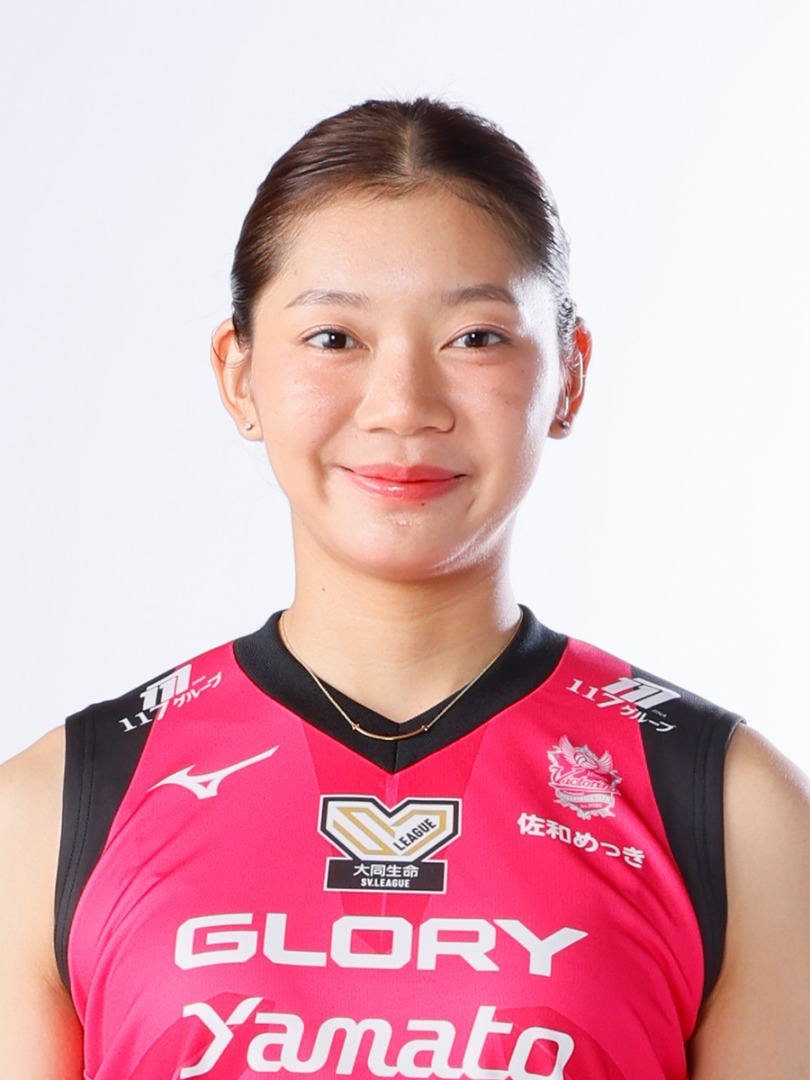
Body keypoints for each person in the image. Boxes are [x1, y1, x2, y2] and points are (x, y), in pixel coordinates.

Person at [1, 98, 808, 1080]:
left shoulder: (730, 812)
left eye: (475, 337)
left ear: (570, 375)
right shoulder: (51, 813)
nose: (402, 407)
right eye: (334, 338)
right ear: (239, 375)